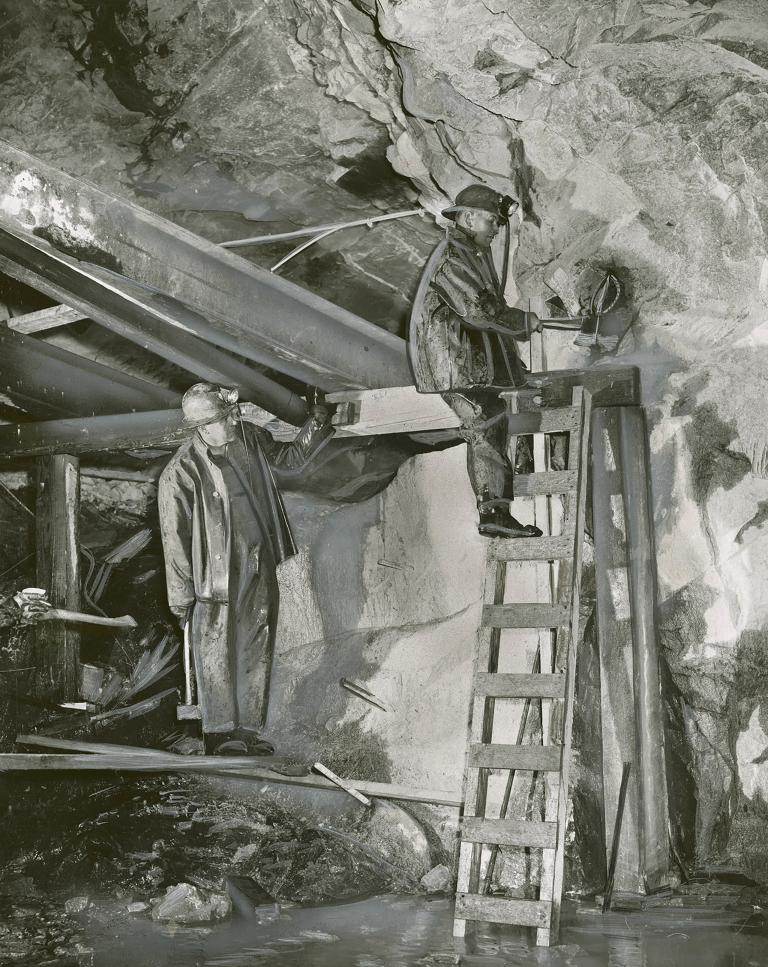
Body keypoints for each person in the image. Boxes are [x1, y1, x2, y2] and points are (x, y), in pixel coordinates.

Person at [158, 383, 333, 755]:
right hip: (213, 577)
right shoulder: (180, 472)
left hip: (257, 560)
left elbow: (290, 458)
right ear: (203, 427)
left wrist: (318, 420)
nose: (234, 420)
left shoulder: (248, 439)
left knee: (257, 641)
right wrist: (180, 597)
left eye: (231, 414)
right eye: (225, 418)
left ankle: (249, 730)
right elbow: (174, 539)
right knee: (217, 651)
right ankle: (221, 733)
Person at [408, 183, 544, 538]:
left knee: (495, 416)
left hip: (465, 360)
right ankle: (493, 513)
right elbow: (479, 309)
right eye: (490, 221)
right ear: (467, 218)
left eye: (498, 224)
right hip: (453, 363)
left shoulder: (471, 253)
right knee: (485, 421)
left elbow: (485, 312)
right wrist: (522, 322)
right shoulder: (453, 256)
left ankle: (498, 507)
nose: (496, 229)